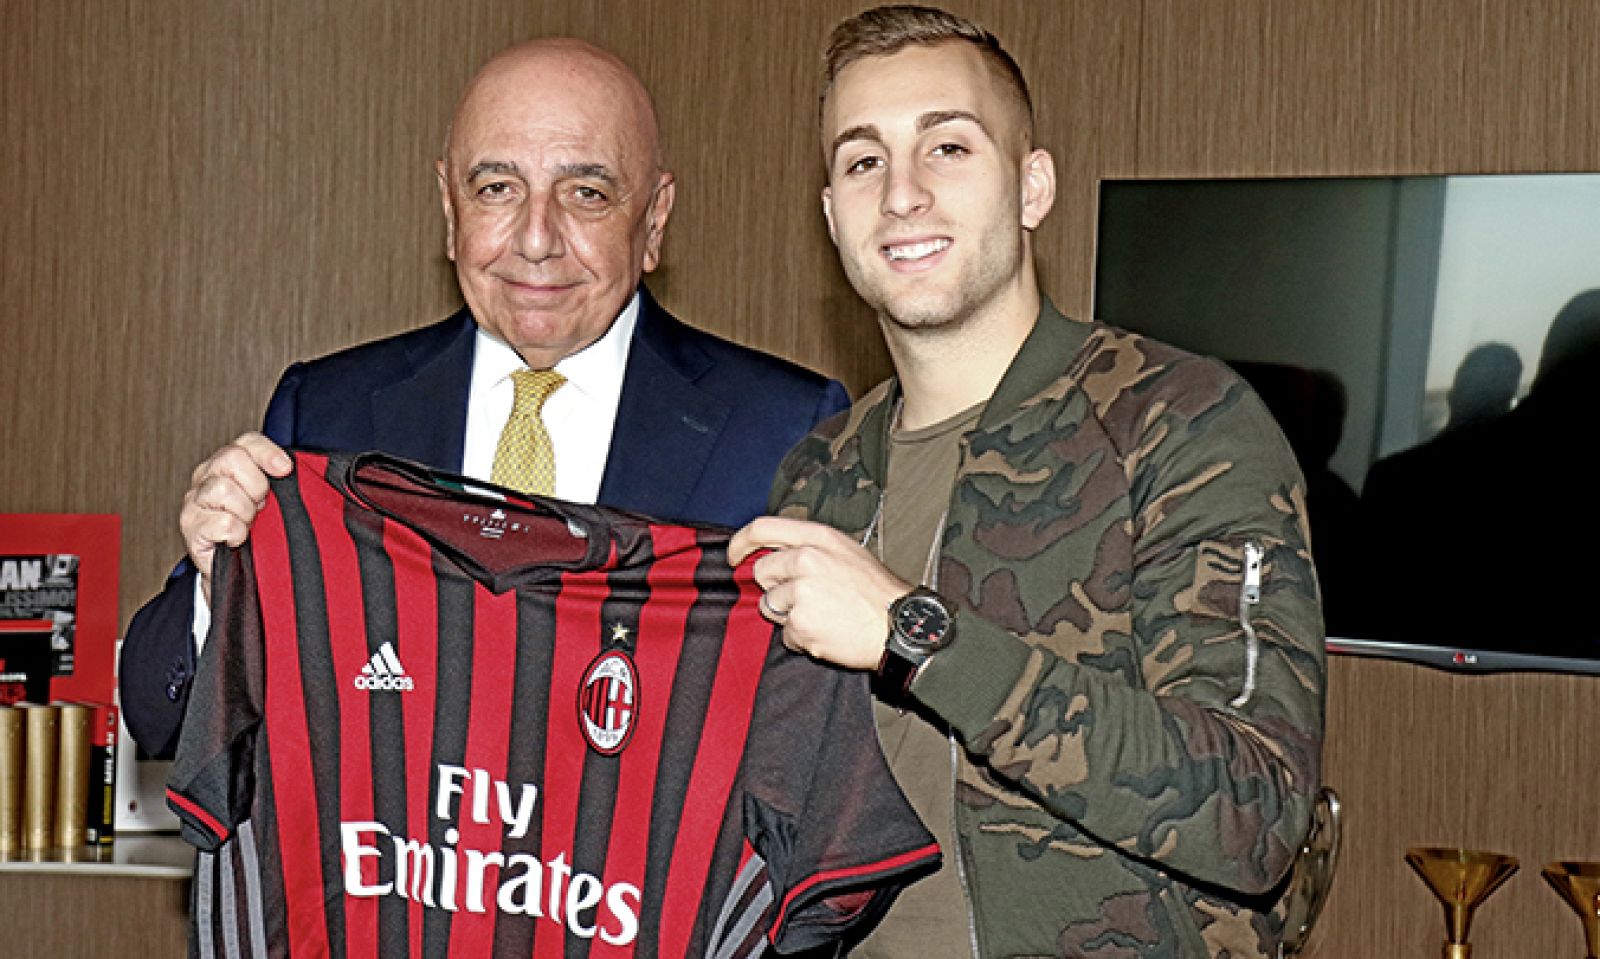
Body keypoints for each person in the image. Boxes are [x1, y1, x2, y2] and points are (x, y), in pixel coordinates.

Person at [729, 6, 1326, 956]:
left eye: (948, 147)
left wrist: (913, 636)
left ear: (1031, 186)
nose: (903, 194)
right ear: (833, 214)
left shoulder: (1178, 422)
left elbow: (1255, 808)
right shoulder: (821, 471)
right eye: (865, 160)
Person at [120, 38, 849, 760]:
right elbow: (163, 722)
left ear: (654, 219)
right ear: (450, 207)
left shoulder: (786, 429)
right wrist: (217, 588)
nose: (536, 239)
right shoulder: (326, 413)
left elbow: (821, 752)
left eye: (587, 193)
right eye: (497, 188)